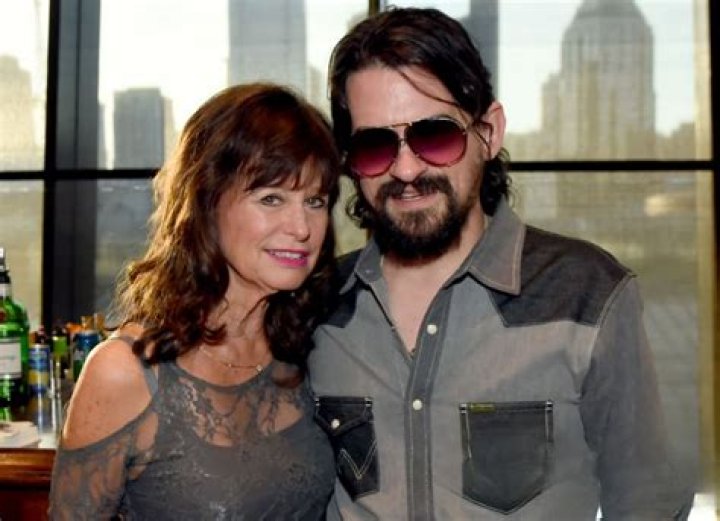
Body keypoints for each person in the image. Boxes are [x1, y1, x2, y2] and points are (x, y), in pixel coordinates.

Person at [308, 7, 689, 520]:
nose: (406, 169)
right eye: (375, 146)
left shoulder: (588, 294)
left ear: (488, 132)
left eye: (435, 136)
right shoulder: (316, 308)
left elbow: (647, 502)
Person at [49, 83, 341, 519]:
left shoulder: (312, 347)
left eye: (315, 201)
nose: (302, 227)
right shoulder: (126, 371)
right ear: (206, 203)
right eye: (271, 198)